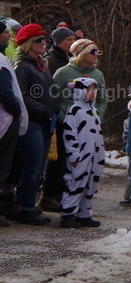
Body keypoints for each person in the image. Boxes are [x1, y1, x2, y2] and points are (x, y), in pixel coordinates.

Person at [45, 38, 108, 211]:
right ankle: (50, 195)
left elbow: (102, 99)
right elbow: (52, 97)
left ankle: (78, 199)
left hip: (88, 127)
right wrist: (62, 117)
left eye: (97, 52)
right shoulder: (63, 73)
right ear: (81, 53)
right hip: (65, 124)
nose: (96, 55)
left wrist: (97, 117)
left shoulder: (98, 75)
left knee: (84, 162)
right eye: (92, 51)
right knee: (61, 161)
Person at [12, 24, 57, 225]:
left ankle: (27, 205)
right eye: (39, 40)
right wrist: (44, 109)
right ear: (29, 43)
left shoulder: (40, 63)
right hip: (31, 123)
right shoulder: (22, 65)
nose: (43, 43)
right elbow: (22, 96)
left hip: (44, 121)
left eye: (43, 40)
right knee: (32, 165)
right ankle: (25, 207)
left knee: (39, 166)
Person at [58, 78, 104, 228]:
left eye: (93, 90)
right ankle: (68, 214)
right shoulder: (74, 110)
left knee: (90, 184)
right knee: (75, 183)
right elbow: (69, 135)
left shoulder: (94, 111)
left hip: (94, 156)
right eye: (88, 90)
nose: (91, 93)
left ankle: (84, 213)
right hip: (80, 156)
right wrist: (74, 155)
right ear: (80, 91)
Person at [0, 20, 27, 227]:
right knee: (2, 167)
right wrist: (16, 111)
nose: (8, 37)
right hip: (5, 119)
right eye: (5, 33)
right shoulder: (1, 62)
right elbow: (6, 93)